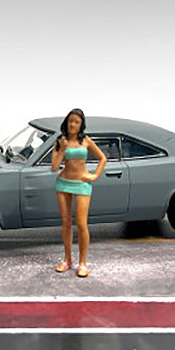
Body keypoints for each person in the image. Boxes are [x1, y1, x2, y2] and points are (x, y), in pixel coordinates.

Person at [51, 108, 106, 278]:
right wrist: (62, 148)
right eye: (70, 121)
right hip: (63, 183)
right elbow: (54, 167)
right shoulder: (61, 141)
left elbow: (102, 158)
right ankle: (67, 260)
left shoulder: (86, 140)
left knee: (82, 224)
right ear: (66, 122)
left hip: (82, 184)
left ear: (81, 125)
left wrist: (94, 176)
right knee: (66, 222)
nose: (72, 124)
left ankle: (82, 262)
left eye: (76, 122)